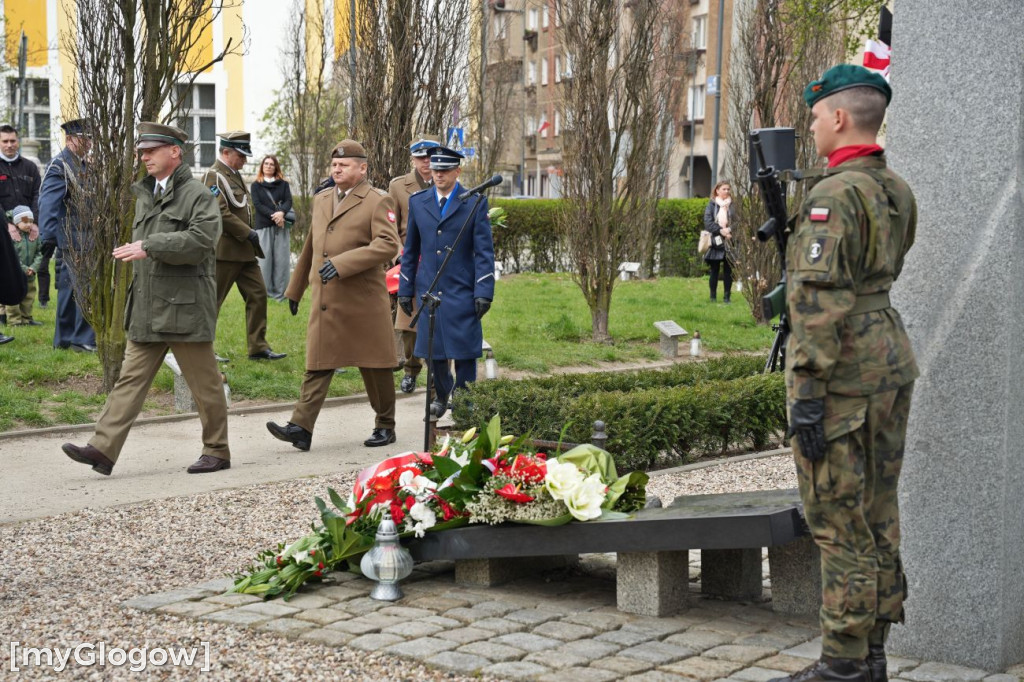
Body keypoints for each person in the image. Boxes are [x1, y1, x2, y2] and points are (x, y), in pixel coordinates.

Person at [769, 65, 918, 682]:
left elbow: (817, 301)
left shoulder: (832, 196)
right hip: (887, 359)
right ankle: (873, 653)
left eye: (815, 115)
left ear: (838, 117)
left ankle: (844, 665)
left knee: (837, 520)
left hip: (842, 373)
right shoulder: (895, 190)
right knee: (879, 513)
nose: (811, 126)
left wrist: (804, 393)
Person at [61, 122, 231, 476]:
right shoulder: (145, 194)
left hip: (184, 308)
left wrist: (150, 246)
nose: (143, 156)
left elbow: (202, 241)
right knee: (129, 381)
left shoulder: (199, 195)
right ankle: (102, 449)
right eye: (141, 151)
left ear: (174, 152)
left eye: (151, 150)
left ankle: (217, 450)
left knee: (205, 384)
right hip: (147, 307)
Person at [266, 139, 401, 450]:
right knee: (319, 361)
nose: (337, 169)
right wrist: (296, 288)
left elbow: (387, 245)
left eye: (345, 165)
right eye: (334, 165)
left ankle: (385, 424)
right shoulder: (323, 198)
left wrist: (341, 264)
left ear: (363, 168)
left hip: (363, 300)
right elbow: (313, 245)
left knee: (375, 365)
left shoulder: (378, 201)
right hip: (328, 299)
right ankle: (301, 427)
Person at [397, 146, 495, 419]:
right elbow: (411, 250)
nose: (438, 175)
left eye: (444, 170)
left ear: (457, 171)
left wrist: (484, 291)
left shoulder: (473, 202)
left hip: (462, 289)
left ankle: (464, 402)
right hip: (430, 289)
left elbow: (485, 252)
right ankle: (442, 395)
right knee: (434, 352)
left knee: (464, 352)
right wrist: (405, 289)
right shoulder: (418, 202)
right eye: (435, 170)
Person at [203, 131, 285, 361]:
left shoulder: (232, 174)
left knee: (258, 294)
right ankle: (203, 351)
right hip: (225, 251)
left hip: (245, 253)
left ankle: (258, 347)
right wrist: (247, 232)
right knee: (213, 302)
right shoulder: (214, 176)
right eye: (241, 155)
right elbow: (219, 212)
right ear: (226, 152)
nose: (245, 160)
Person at [39, 118, 96, 352]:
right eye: (85, 138)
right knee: (80, 291)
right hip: (71, 238)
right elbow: (48, 202)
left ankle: (66, 341)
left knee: (73, 290)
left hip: (83, 238)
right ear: (71, 139)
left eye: (91, 139)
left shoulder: (81, 165)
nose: (89, 143)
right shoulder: (61, 165)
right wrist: (48, 237)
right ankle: (80, 340)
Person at [388, 135, 438, 394]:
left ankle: (437, 372)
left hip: (439, 264)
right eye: (421, 157)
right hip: (410, 263)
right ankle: (410, 369)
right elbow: (390, 226)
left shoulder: (446, 183)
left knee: (438, 320)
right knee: (408, 324)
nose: (426, 162)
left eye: (430, 157)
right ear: (413, 160)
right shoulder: (398, 186)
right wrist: (400, 255)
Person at [0, 125, 43, 336]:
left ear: (18, 141)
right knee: (3, 269)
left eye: (12, 140)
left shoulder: (30, 167)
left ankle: (26, 315)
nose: (9, 145)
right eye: (5, 141)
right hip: (3, 227)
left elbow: (37, 195)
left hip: (27, 228)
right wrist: (5, 225)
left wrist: (34, 223)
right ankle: (5, 314)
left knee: (26, 273)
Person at [250, 154, 293, 301]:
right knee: (264, 261)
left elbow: (288, 201)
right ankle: (264, 292)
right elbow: (258, 205)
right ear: (262, 166)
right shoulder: (256, 185)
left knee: (282, 260)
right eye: (266, 164)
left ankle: (280, 294)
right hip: (263, 227)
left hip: (281, 227)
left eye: (271, 164)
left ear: (276, 167)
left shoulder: (284, 184)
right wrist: (276, 216)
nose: (268, 166)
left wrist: (281, 213)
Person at [5, 206, 42, 326]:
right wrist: (25, 269)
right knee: (14, 297)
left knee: (29, 297)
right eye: (25, 222)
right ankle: (14, 321)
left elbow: (39, 253)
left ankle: (26, 318)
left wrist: (33, 268)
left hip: (30, 275)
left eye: (31, 221)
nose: (29, 224)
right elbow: (12, 256)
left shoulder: (35, 236)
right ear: (16, 222)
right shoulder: (11, 237)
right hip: (15, 275)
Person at [703, 180, 735, 303]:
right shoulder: (711, 205)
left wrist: (729, 230)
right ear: (717, 190)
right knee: (714, 270)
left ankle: (727, 297)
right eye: (724, 189)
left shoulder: (733, 205)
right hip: (715, 241)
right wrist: (721, 231)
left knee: (729, 271)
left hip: (730, 241)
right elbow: (708, 223)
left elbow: (739, 221)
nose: (726, 191)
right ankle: (713, 297)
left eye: (728, 189)